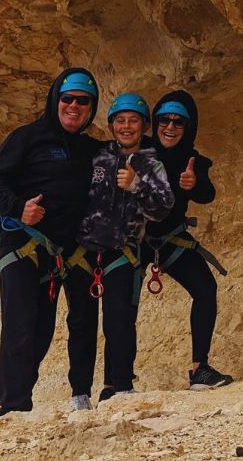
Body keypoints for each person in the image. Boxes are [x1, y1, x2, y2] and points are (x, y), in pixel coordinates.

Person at [0, 68, 100, 418]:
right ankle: (13, 407)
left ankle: (29, 400)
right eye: (68, 99)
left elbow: (131, 146)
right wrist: (19, 208)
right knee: (21, 323)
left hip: (61, 253)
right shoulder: (27, 138)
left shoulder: (92, 149)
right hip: (22, 243)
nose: (74, 107)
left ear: (91, 107)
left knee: (42, 330)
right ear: (56, 100)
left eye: (83, 101)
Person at [65, 93, 174, 410]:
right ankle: (79, 393)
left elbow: (163, 208)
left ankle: (122, 387)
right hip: (83, 252)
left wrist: (137, 185)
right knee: (81, 323)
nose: (126, 126)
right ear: (111, 124)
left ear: (143, 125)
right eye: (120, 120)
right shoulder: (96, 156)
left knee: (120, 321)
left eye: (133, 120)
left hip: (121, 252)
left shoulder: (152, 163)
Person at [142, 90, 233, 391]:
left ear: (188, 127)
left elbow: (207, 193)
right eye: (164, 121)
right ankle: (115, 382)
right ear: (154, 124)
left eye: (178, 122)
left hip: (171, 240)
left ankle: (200, 369)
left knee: (205, 288)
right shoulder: (139, 151)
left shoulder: (193, 161)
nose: (170, 127)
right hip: (137, 242)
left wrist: (193, 185)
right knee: (122, 305)